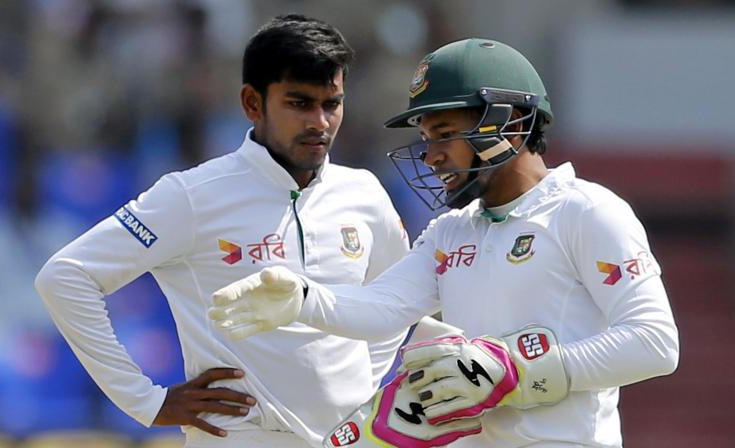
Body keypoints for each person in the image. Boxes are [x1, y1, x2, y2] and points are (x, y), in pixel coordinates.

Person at [209, 38, 680, 448]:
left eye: (446, 135)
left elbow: (655, 343)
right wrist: (303, 299)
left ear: (510, 123)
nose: (431, 156)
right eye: (427, 137)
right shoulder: (451, 231)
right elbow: (382, 308)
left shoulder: (584, 211)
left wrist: (514, 368)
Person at [35, 14, 417, 448]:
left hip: (349, 439)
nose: (320, 122)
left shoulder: (364, 192)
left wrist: (363, 388)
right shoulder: (192, 195)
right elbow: (65, 276)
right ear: (252, 103)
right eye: (299, 103)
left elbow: (395, 300)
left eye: (331, 103)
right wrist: (146, 401)